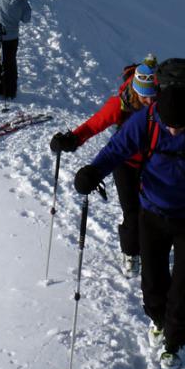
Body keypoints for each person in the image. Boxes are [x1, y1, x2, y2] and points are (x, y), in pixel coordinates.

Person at [73, 60, 185, 369]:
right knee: (152, 284)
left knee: (184, 287)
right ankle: (159, 321)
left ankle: (174, 341)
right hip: (152, 213)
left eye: (180, 127)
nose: (174, 131)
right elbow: (116, 149)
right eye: (169, 125)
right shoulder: (145, 120)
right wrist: (93, 172)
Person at [50, 55, 158, 277]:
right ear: (136, 91)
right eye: (145, 96)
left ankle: (154, 246)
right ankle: (131, 253)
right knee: (132, 211)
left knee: (153, 210)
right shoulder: (120, 104)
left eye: (152, 96)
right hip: (125, 163)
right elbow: (94, 125)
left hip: (155, 163)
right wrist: (72, 139)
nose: (149, 101)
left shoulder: (162, 104)